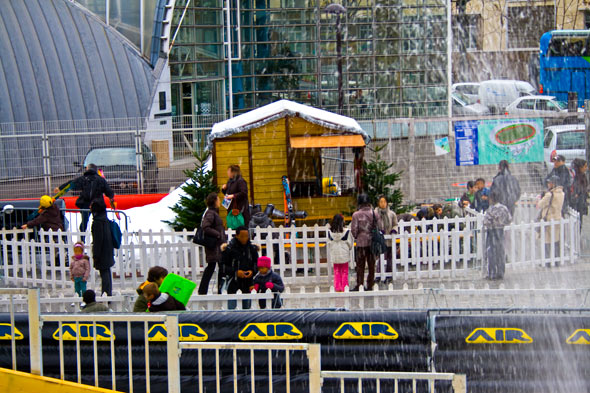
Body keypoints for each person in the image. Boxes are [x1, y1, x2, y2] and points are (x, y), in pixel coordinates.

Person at [54, 163, 115, 233]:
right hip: (98, 204)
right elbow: (109, 191)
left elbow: (71, 184)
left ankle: (82, 238)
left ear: (87, 169)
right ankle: (99, 237)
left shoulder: (83, 179)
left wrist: (60, 188)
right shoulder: (101, 180)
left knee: (84, 222)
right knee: (100, 221)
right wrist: (111, 197)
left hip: (86, 203)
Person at [220, 226, 259, 309]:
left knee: (247, 307)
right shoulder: (229, 249)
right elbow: (222, 267)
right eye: (242, 236)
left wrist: (252, 271)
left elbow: (257, 264)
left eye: (246, 236)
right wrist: (236, 272)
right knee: (231, 308)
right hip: (232, 281)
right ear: (237, 236)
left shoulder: (251, 249)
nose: (244, 239)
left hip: (248, 282)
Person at [198, 192, 227, 295]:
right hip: (215, 246)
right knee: (216, 267)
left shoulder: (212, 212)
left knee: (213, 267)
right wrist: (218, 234)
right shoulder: (211, 213)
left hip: (216, 245)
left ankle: (205, 290)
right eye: (218, 199)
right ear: (214, 201)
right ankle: (219, 289)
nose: (219, 201)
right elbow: (206, 227)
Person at [351, 194, 381, 291]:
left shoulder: (356, 215)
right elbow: (379, 226)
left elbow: (354, 230)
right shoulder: (374, 213)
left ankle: (360, 284)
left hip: (361, 243)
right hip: (372, 242)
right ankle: (370, 284)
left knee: (360, 265)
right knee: (371, 265)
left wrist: (357, 236)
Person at [483, 189, 512, 280]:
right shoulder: (504, 208)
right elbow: (509, 219)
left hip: (492, 232)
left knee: (491, 252)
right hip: (500, 231)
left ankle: (492, 272)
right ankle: (501, 272)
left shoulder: (490, 209)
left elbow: (485, 222)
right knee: (500, 251)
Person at [537, 175, 565, 260]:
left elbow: (540, 204)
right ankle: (556, 259)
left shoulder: (550, 194)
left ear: (553, 184)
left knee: (547, 241)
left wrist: (541, 198)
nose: (548, 184)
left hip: (549, 219)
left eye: (550, 182)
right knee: (556, 240)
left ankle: (548, 260)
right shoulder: (562, 193)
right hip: (557, 218)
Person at [90, 199, 115, 296]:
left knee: (104, 273)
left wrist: (95, 254)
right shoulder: (105, 220)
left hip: (102, 251)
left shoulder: (97, 222)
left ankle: (105, 294)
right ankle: (108, 292)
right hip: (108, 249)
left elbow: (98, 240)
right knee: (107, 272)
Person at [374, 196, 397, 281]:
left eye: (384, 202)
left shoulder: (391, 214)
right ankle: (378, 274)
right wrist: (378, 231)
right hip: (380, 240)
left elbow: (395, 224)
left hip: (389, 239)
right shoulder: (375, 213)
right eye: (381, 202)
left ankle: (389, 275)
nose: (383, 204)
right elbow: (373, 224)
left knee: (389, 258)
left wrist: (394, 230)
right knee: (380, 258)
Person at [327, 214, 353, 292]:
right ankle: (345, 286)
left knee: (336, 271)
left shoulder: (330, 232)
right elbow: (350, 243)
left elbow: (328, 243)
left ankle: (337, 287)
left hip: (335, 254)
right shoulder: (347, 232)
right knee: (345, 271)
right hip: (344, 254)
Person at [570, 158, 588, 227]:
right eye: (585, 166)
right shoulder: (575, 177)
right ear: (580, 167)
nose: (586, 168)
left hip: (581, 202)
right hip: (576, 203)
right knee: (577, 222)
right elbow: (578, 189)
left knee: (579, 222)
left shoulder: (583, 176)